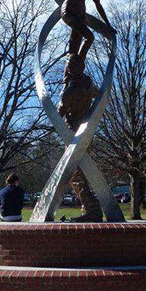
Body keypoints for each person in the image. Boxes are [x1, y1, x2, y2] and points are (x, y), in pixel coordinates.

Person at [57, 54, 104, 222]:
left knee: (74, 174)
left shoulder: (70, 90)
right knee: (80, 172)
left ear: (71, 69)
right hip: (87, 131)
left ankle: (92, 210)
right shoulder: (89, 83)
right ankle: (90, 208)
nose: (67, 69)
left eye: (68, 66)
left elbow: (59, 113)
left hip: (73, 133)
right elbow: (98, 94)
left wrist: (64, 88)